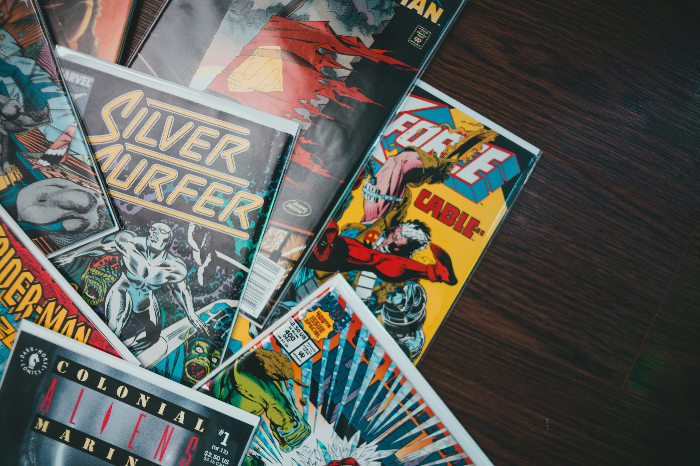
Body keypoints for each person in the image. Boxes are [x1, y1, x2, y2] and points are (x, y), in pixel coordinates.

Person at [55, 223, 207, 352]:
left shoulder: (174, 267)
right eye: (153, 230)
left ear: (168, 240)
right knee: (113, 331)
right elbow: (102, 247)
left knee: (152, 338)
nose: (155, 233)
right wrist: (73, 254)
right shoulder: (131, 243)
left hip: (145, 299)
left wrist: (191, 314)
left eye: (162, 232)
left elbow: (181, 290)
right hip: (124, 289)